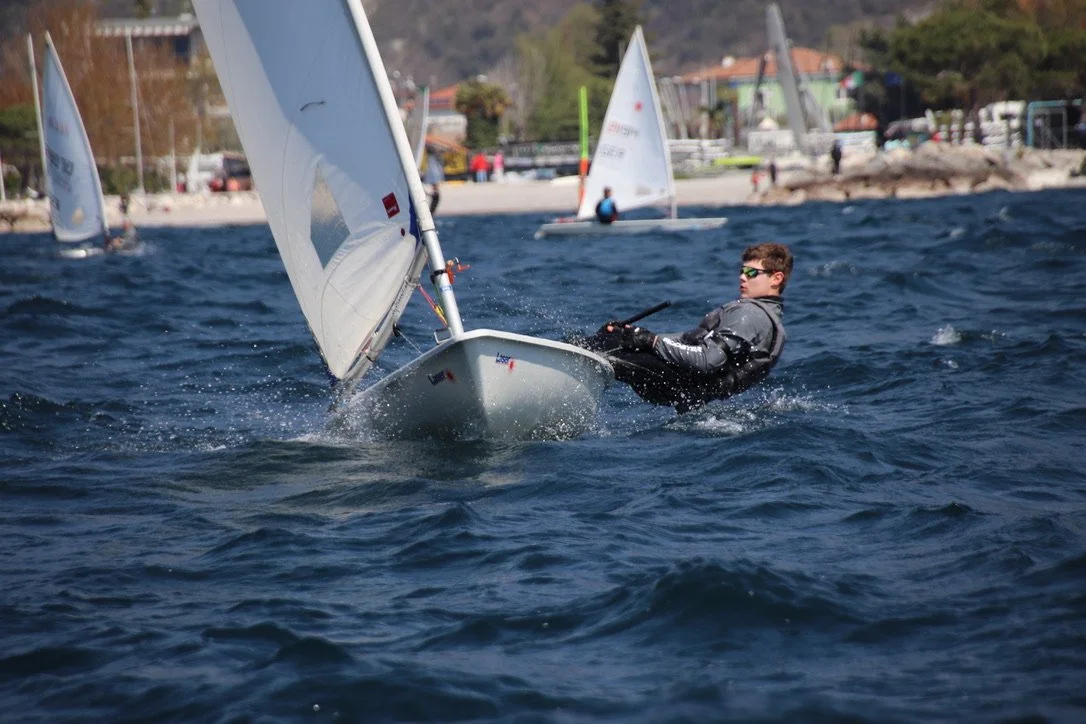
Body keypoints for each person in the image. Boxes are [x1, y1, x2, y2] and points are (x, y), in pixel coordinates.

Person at [583, 242, 793, 413]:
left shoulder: (750, 314)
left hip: (684, 382)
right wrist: (633, 334)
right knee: (617, 340)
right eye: (741, 270)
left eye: (751, 272)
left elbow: (707, 359)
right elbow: (688, 341)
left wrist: (650, 341)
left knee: (602, 347)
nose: (742, 276)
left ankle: (556, 372)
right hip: (693, 390)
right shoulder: (768, 320)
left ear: (776, 278)